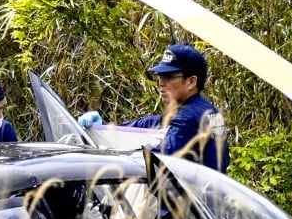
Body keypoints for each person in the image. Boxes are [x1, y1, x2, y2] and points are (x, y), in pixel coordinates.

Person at [78, 44, 230, 172]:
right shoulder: (209, 112)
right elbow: (152, 124)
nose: (161, 83)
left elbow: (158, 158)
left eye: (169, 77)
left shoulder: (188, 116)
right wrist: (102, 130)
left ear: (191, 82)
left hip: (185, 205)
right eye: (160, 77)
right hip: (212, 202)